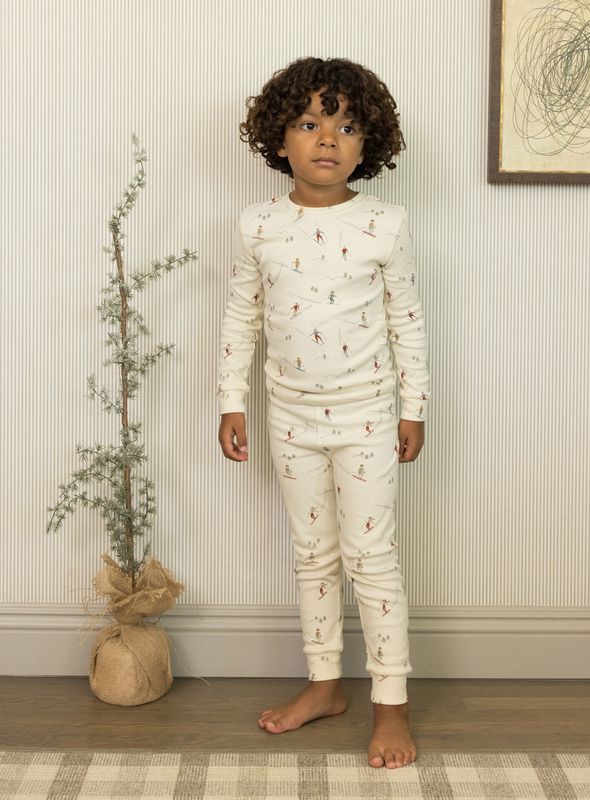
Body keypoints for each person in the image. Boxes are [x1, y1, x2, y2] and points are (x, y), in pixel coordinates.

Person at [217, 56, 431, 769]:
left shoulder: (385, 223)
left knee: (371, 557)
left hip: (367, 416)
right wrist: (231, 400)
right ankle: (324, 685)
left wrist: (413, 407)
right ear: (279, 138)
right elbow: (241, 317)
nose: (328, 139)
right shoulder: (257, 225)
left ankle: (391, 705)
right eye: (310, 124)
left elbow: (406, 319)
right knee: (313, 555)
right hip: (289, 419)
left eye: (346, 126)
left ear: (370, 143)